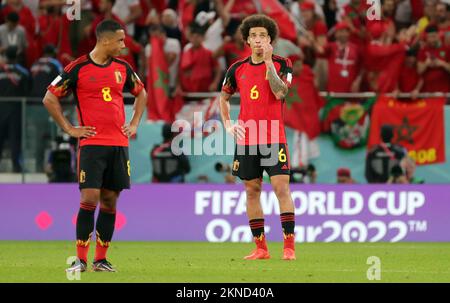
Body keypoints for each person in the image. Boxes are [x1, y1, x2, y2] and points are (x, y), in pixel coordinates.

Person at [43, 20, 147, 273]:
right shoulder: (77, 68)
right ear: (105, 40)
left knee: (110, 201)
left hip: (118, 144)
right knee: (89, 197)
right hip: (92, 144)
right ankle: (80, 259)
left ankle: (101, 260)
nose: (124, 45)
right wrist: (70, 129)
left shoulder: (123, 68)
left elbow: (141, 93)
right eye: (120, 40)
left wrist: (133, 124)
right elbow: (49, 98)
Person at [220, 15, 296, 261]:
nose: (258, 40)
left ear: (270, 39)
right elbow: (223, 97)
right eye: (253, 36)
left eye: (263, 35)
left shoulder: (283, 63)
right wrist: (229, 125)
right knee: (251, 190)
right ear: (247, 40)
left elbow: (280, 91)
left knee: (280, 188)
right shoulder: (237, 68)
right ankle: (261, 248)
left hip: (274, 136)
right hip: (247, 139)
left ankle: (288, 247)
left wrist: (268, 64)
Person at [0, 46, 29, 173]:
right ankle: (16, 167)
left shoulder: (1, 71)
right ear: (17, 56)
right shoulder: (22, 72)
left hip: (1, 109)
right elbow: (28, 89)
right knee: (15, 138)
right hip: (17, 109)